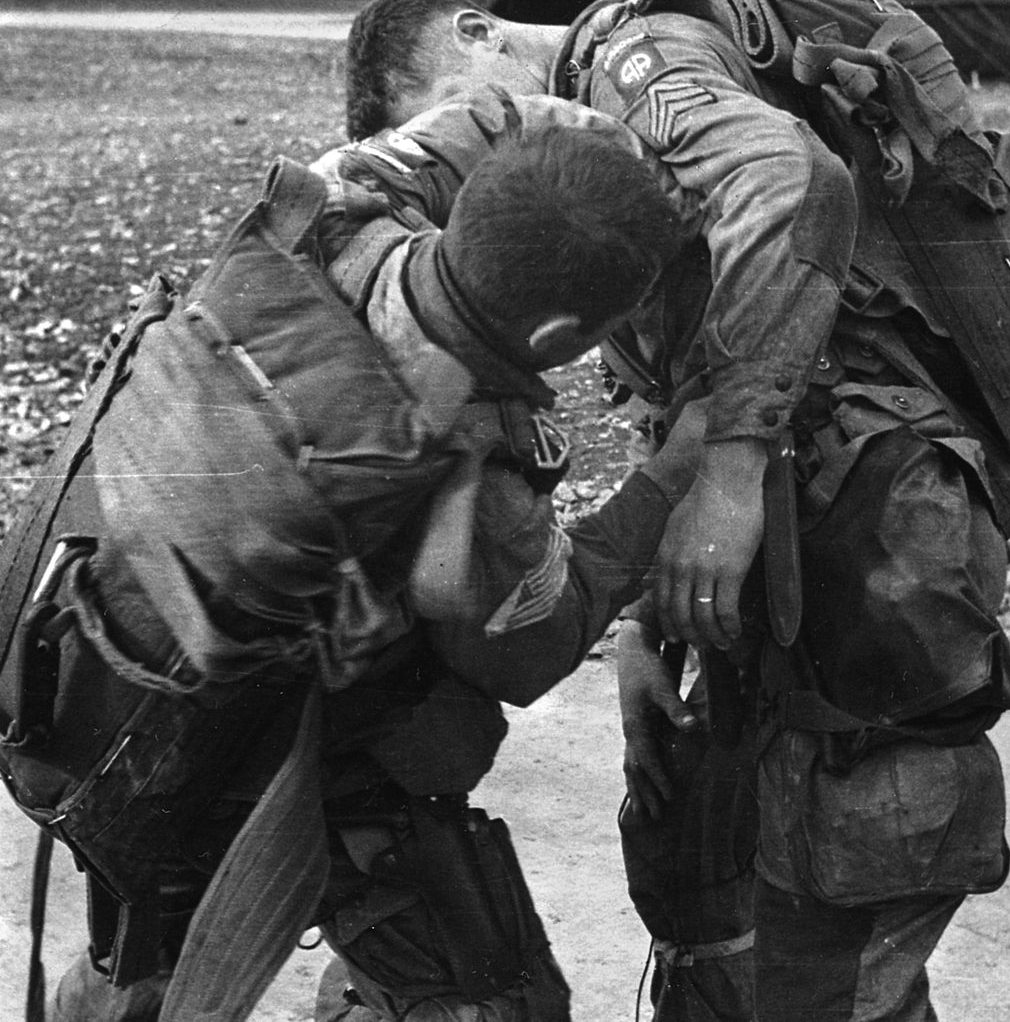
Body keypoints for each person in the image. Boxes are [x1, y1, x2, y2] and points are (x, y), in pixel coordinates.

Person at [341, 0, 1010, 1022]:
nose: (476, 152)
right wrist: (645, 619)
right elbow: (678, 371)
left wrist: (726, 471)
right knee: (737, 883)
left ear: (480, 33)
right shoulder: (595, 154)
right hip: (802, 513)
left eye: (453, 110)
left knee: (838, 916)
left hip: (870, 517)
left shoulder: (635, 67)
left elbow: (790, 174)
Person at [42, 101, 704, 1022]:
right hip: (253, 756)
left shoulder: (338, 216)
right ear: (559, 340)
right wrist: (676, 475)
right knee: (494, 1000)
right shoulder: (487, 477)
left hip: (87, 662)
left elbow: (465, 114)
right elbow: (525, 653)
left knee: (139, 968)